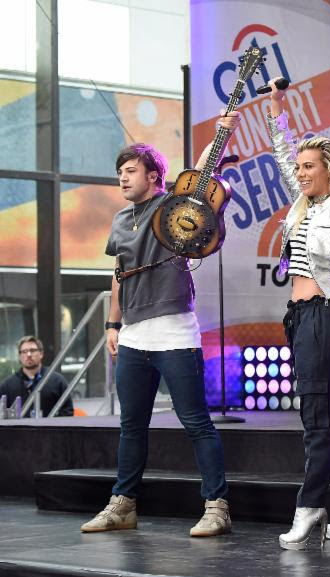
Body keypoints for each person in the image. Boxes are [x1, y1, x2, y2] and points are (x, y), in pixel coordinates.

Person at [80, 111, 241, 537]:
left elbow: (205, 170)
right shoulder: (120, 220)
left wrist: (221, 132)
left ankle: (216, 507)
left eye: (131, 171)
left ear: (154, 175)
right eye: (119, 173)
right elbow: (118, 274)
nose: (122, 178)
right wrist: (113, 324)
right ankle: (123, 505)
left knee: (196, 423)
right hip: (132, 334)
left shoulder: (172, 205)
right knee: (131, 426)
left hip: (173, 330)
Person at [264, 77, 330, 550]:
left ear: (328, 170)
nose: (302, 173)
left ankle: (310, 508)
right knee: (329, 416)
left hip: (326, 317)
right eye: (300, 167)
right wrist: (277, 108)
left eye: (310, 167)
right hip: (300, 318)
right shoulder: (302, 203)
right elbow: (282, 150)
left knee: (314, 419)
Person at [0, 335, 73, 417]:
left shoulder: (57, 381)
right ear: (20, 356)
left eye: (32, 350)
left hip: (50, 429)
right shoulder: (7, 386)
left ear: (41, 354)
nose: (28, 354)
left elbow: (67, 412)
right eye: (24, 351)